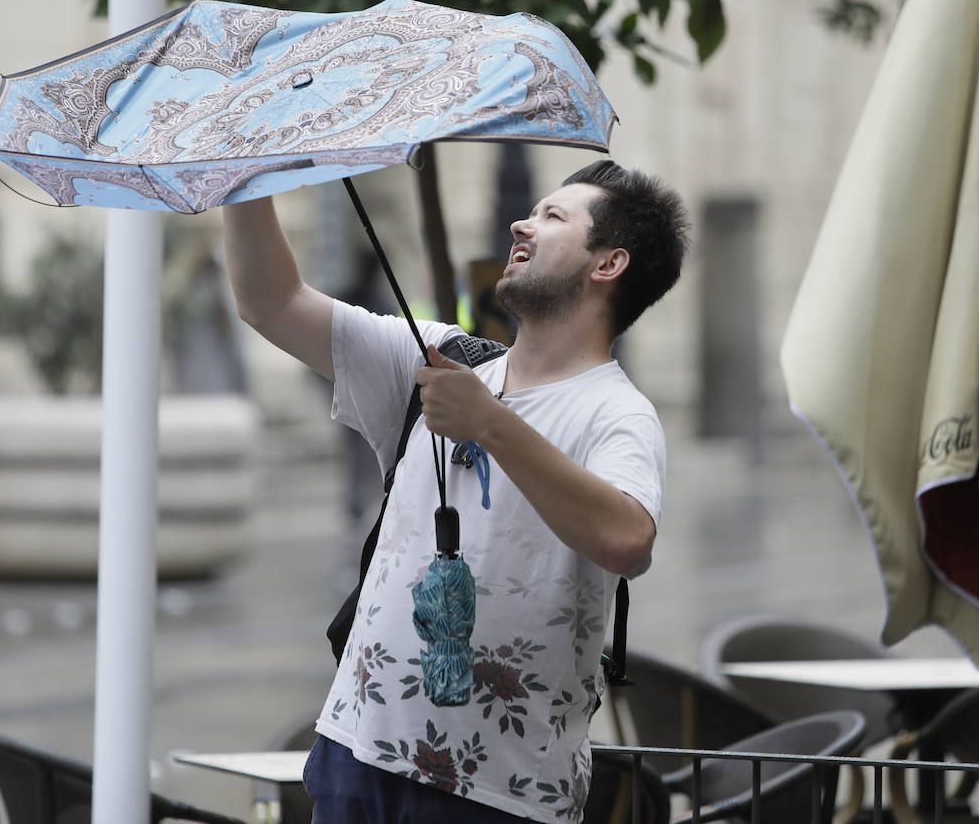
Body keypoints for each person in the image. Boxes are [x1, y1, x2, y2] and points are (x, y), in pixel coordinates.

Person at [222, 160, 689, 824]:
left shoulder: (617, 414)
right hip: (356, 753)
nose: (520, 223)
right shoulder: (442, 357)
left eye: (553, 217)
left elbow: (625, 539)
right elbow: (270, 302)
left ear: (608, 264)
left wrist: (490, 424)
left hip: (499, 792)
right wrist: (245, 169)